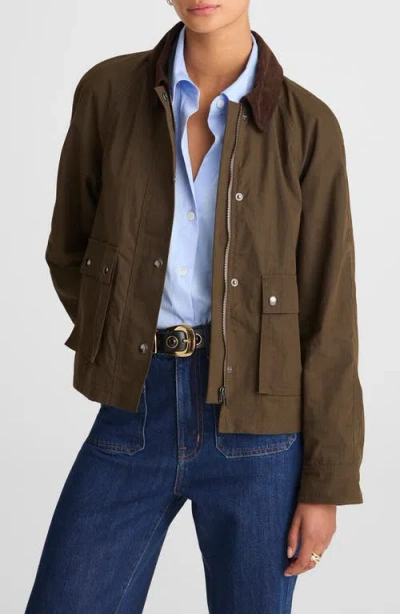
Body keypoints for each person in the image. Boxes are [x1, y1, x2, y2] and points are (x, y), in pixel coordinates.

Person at [25, 1, 365, 612]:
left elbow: (329, 315)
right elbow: (69, 248)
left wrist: (327, 483)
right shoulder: (108, 93)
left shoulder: (308, 125)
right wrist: (118, 337)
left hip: (259, 435)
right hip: (135, 409)